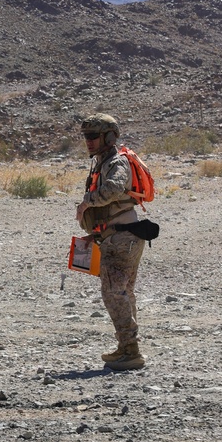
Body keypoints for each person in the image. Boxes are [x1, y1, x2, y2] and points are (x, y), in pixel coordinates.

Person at [77, 114, 145, 371]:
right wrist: (95, 234)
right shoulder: (102, 163)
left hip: (121, 238)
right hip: (116, 236)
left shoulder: (116, 162)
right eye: (86, 137)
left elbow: (114, 190)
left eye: (93, 136)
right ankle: (127, 347)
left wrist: (87, 202)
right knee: (123, 292)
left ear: (108, 137)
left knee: (114, 293)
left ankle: (131, 350)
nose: (89, 141)